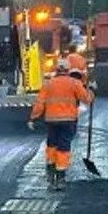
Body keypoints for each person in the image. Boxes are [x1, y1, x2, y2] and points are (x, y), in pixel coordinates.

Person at [29, 59, 94, 190]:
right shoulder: (75, 83)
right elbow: (87, 99)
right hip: (68, 121)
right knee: (63, 147)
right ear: (68, 70)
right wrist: (91, 90)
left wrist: (33, 118)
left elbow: (39, 103)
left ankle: (51, 169)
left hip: (51, 121)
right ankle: (60, 177)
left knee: (52, 145)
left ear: (56, 70)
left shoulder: (48, 84)